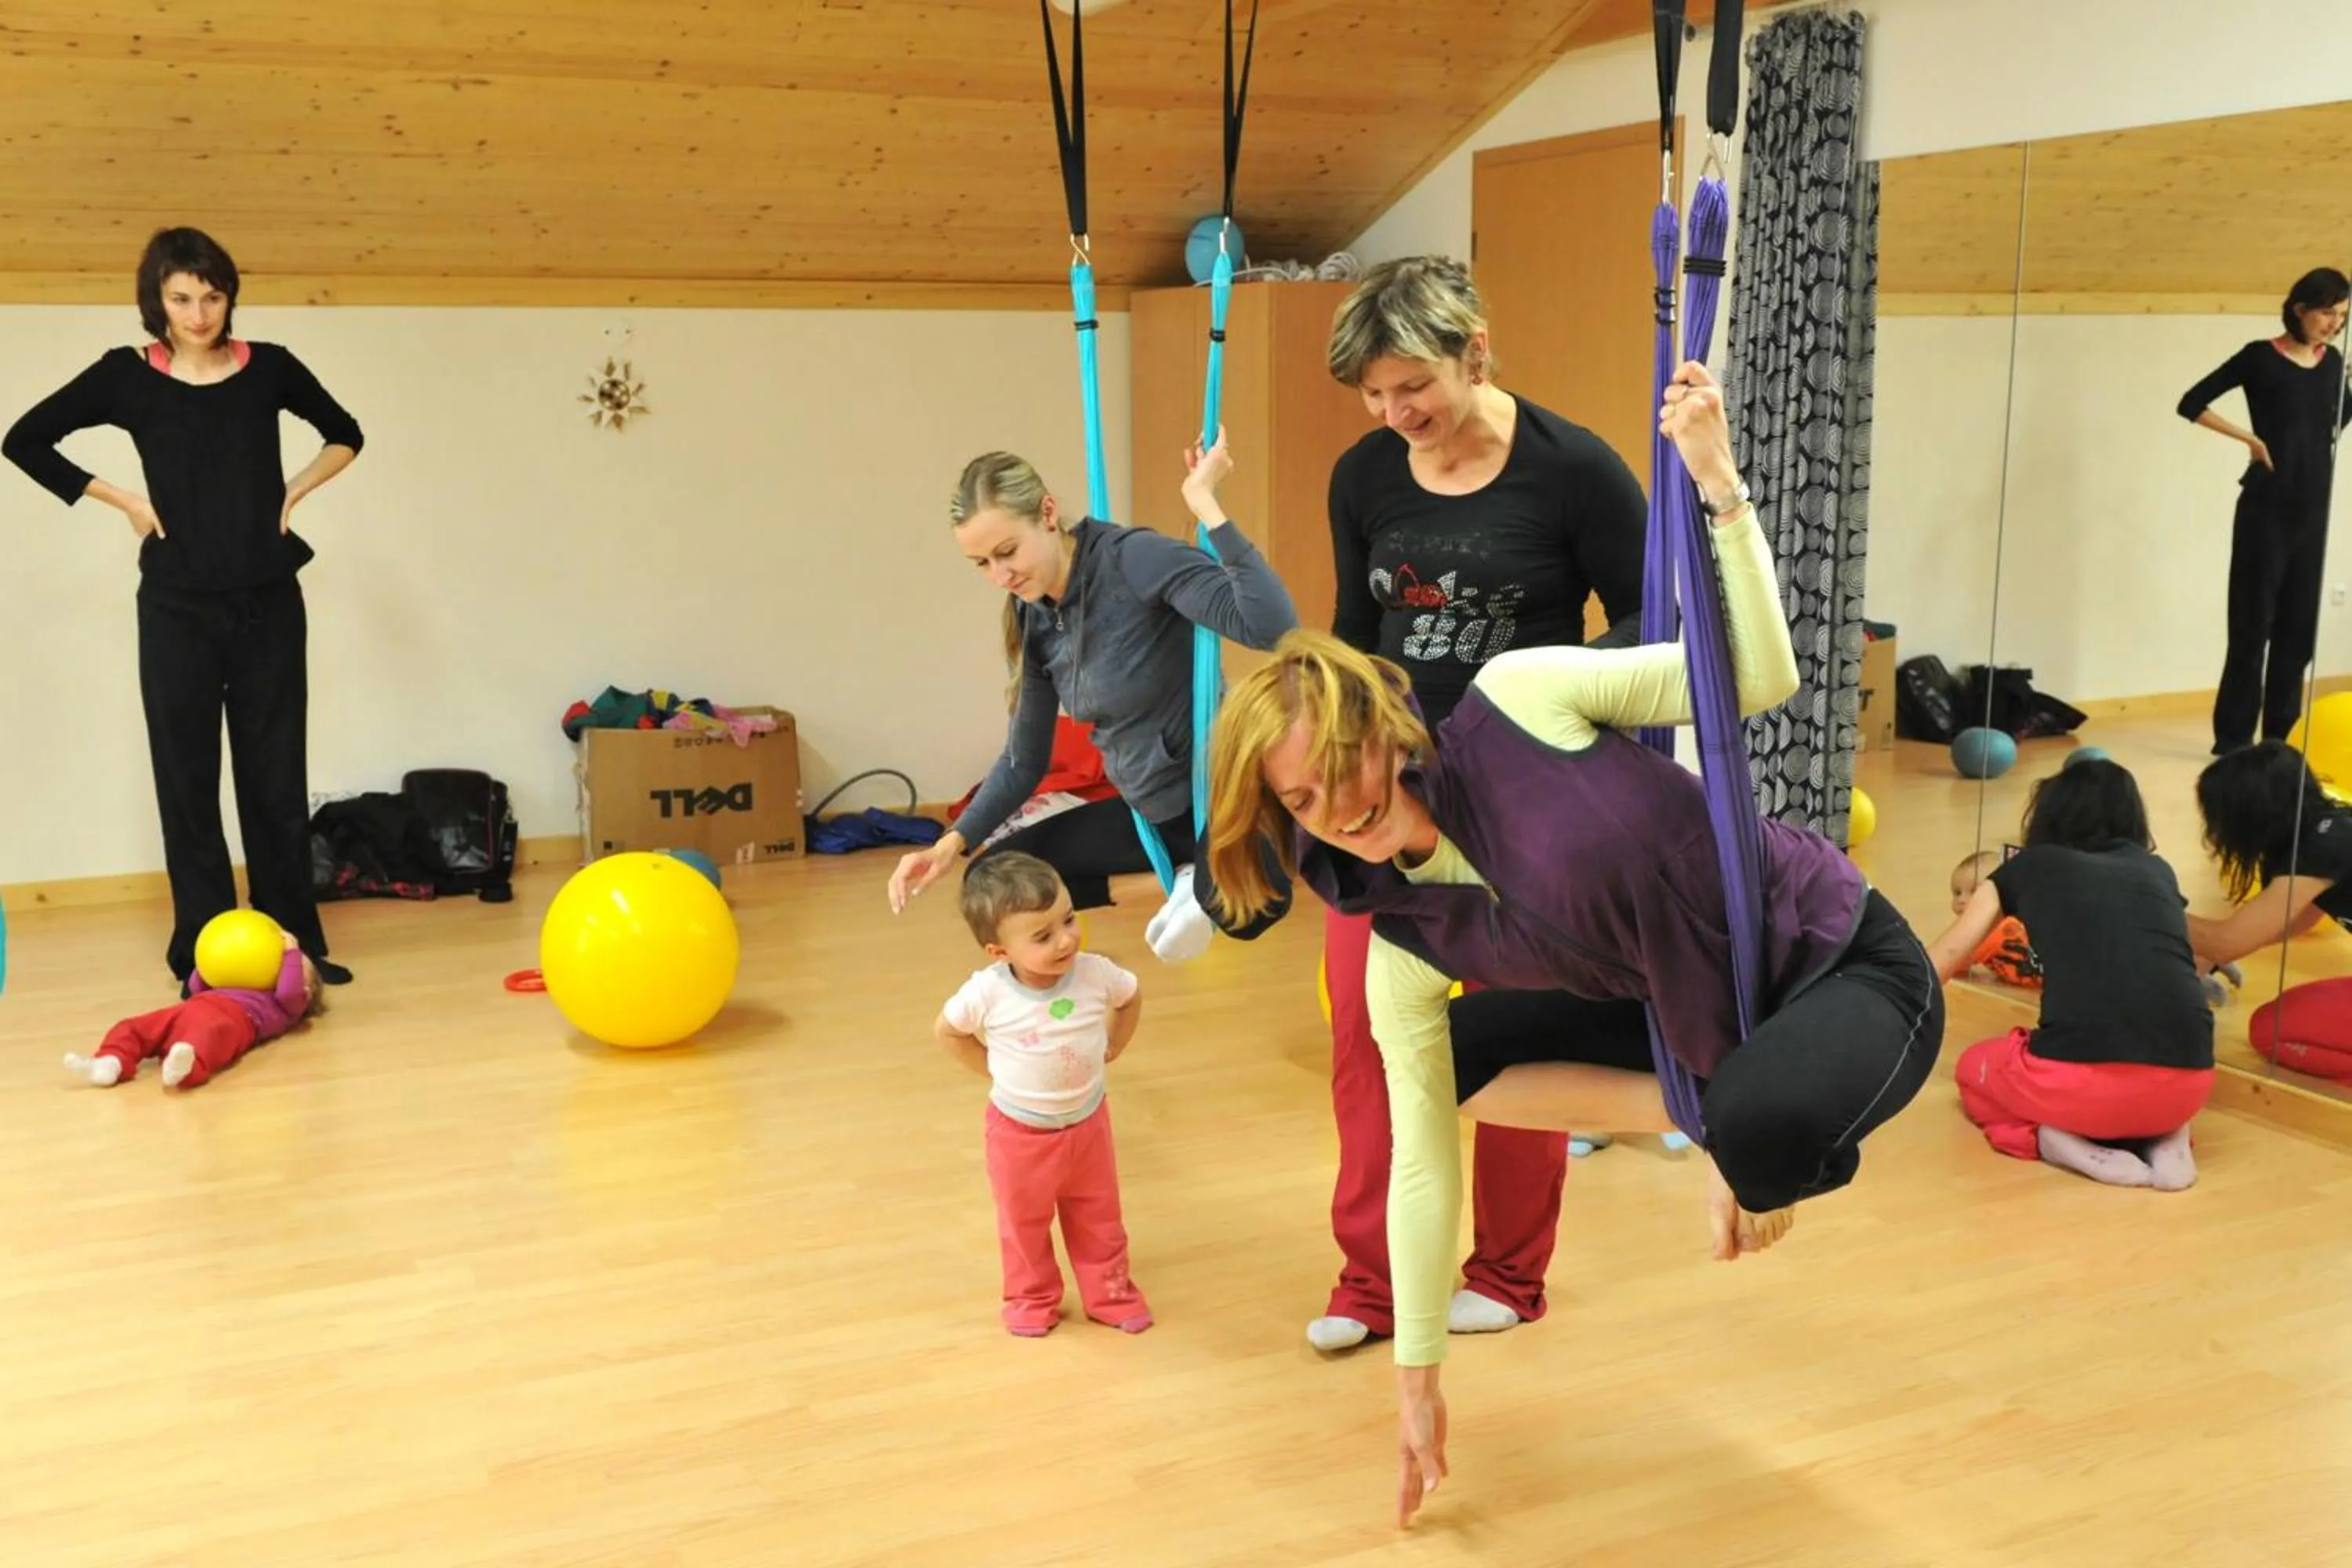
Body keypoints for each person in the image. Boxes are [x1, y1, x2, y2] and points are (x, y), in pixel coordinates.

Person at [1202, 361, 1944, 1525]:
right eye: (1297, 802)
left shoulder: (1518, 699)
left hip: (1835, 963)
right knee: (1449, 1060)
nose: (1333, 806)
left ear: (1384, 729)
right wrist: (1418, 1378)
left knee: (1761, 1126)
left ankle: (1747, 1126)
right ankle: (1714, 1112)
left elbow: (1760, 676)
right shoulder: (1399, 929)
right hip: (1674, 1008)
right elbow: (1419, 1160)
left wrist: (1719, 486)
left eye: (1337, 765)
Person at [1311, 255, 1649, 1353]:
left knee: (1509, 1041)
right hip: (1389, 799)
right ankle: (1370, 1284)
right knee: (1372, 1045)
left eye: (1413, 385)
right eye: (1373, 393)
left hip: (1527, 804)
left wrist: (1543, 713)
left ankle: (1508, 1275)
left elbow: (1649, 630)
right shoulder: (1366, 475)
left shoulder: (1574, 470)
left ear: (1477, 351)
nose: (1394, 412)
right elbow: (1356, 637)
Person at [3, 227, 364, 990]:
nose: (198, 313)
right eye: (180, 298)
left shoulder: (270, 369)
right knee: (187, 778)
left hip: (270, 601)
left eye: (211, 295)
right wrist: (124, 501)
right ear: (156, 301)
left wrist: (295, 489)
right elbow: (24, 439)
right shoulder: (125, 377)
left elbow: (345, 434)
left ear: (229, 296)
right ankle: (203, 953)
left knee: (273, 773)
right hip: (175, 608)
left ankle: (292, 943)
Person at [887, 435, 1297, 957]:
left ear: (1048, 513)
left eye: (1007, 552)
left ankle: (1204, 884)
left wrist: (1206, 506)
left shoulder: (1135, 560)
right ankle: (1182, 884)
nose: (1001, 576)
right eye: (982, 564)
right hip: (1149, 812)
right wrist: (949, 845)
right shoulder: (1031, 614)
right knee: (991, 879)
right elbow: (1023, 761)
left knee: (1255, 907)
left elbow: (1273, 628)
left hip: (1215, 795)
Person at [1926, 760, 2214, 1189]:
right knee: (2137, 1072)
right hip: (2189, 1086)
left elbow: (1943, 960)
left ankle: (2050, 1140)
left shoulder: (2028, 866)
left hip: (2078, 1089)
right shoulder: (2159, 871)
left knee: (1972, 1069)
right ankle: (2168, 1140)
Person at [935, 851, 1152, 1338]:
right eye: (1043, 935)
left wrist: (1116, 1042)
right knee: (1023, 1223)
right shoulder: (987, 992)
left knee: (1100, 1217)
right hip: (1019, 1134)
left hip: (1089, 1125)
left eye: (1069, 920)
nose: (1067, 939)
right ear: (999, 952)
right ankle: (1031, 1300)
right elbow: (948, 1032)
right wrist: (991, 1070)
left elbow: (1131, 997)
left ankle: (1110, 1294)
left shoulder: (1096, 973)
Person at [2176, 267, 2352, 754]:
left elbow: (2338, 418)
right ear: (2299, 309)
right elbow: (2191, 402)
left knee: (2297, 633)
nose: (2334, 324)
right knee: (2253, 628)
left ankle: (2281, 739)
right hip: (2265, 512)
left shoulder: (2334, 362)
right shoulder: (2260, 358)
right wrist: (2250, 440)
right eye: (2326, 313)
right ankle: (2233, 740)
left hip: (2314, 512)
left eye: (2341, 316)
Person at [2187, 740, 2352, 1078]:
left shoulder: (2323, 845)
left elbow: (2227, 941)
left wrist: (2148, 909)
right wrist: (2200, 961)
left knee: (2270, 1033)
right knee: (2276, 1022)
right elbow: (2292, 922)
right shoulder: (2323, 829)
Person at [64, 928, 322, 1090]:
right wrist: (213, 959)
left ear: (307, 994)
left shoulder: (287, 1007)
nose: (287, 962)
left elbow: (289, 990)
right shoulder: (238, 981)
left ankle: (185, 1071)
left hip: (233, 1020)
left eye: (296, 966)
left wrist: (292, 952)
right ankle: (111, 1061)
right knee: (133, 1027)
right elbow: (197, 985)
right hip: (191, 1008)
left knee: (204, 1040)